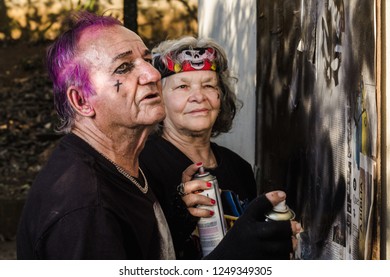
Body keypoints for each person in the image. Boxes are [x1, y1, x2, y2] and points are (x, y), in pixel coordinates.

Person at [17, 11, 300, 260]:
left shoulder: (123, 170)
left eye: (146, 59)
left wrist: (179, 218)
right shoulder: (85, 207)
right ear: (81, 101)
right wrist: (235, 258)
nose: (152, 74)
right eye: (124, 67)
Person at [139, 36, 293, 259]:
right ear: (159, 99)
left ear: (221, 96)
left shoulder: (239, 168)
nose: (199, 97)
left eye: (208, 85)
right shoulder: (142, 166)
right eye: (182, 86)